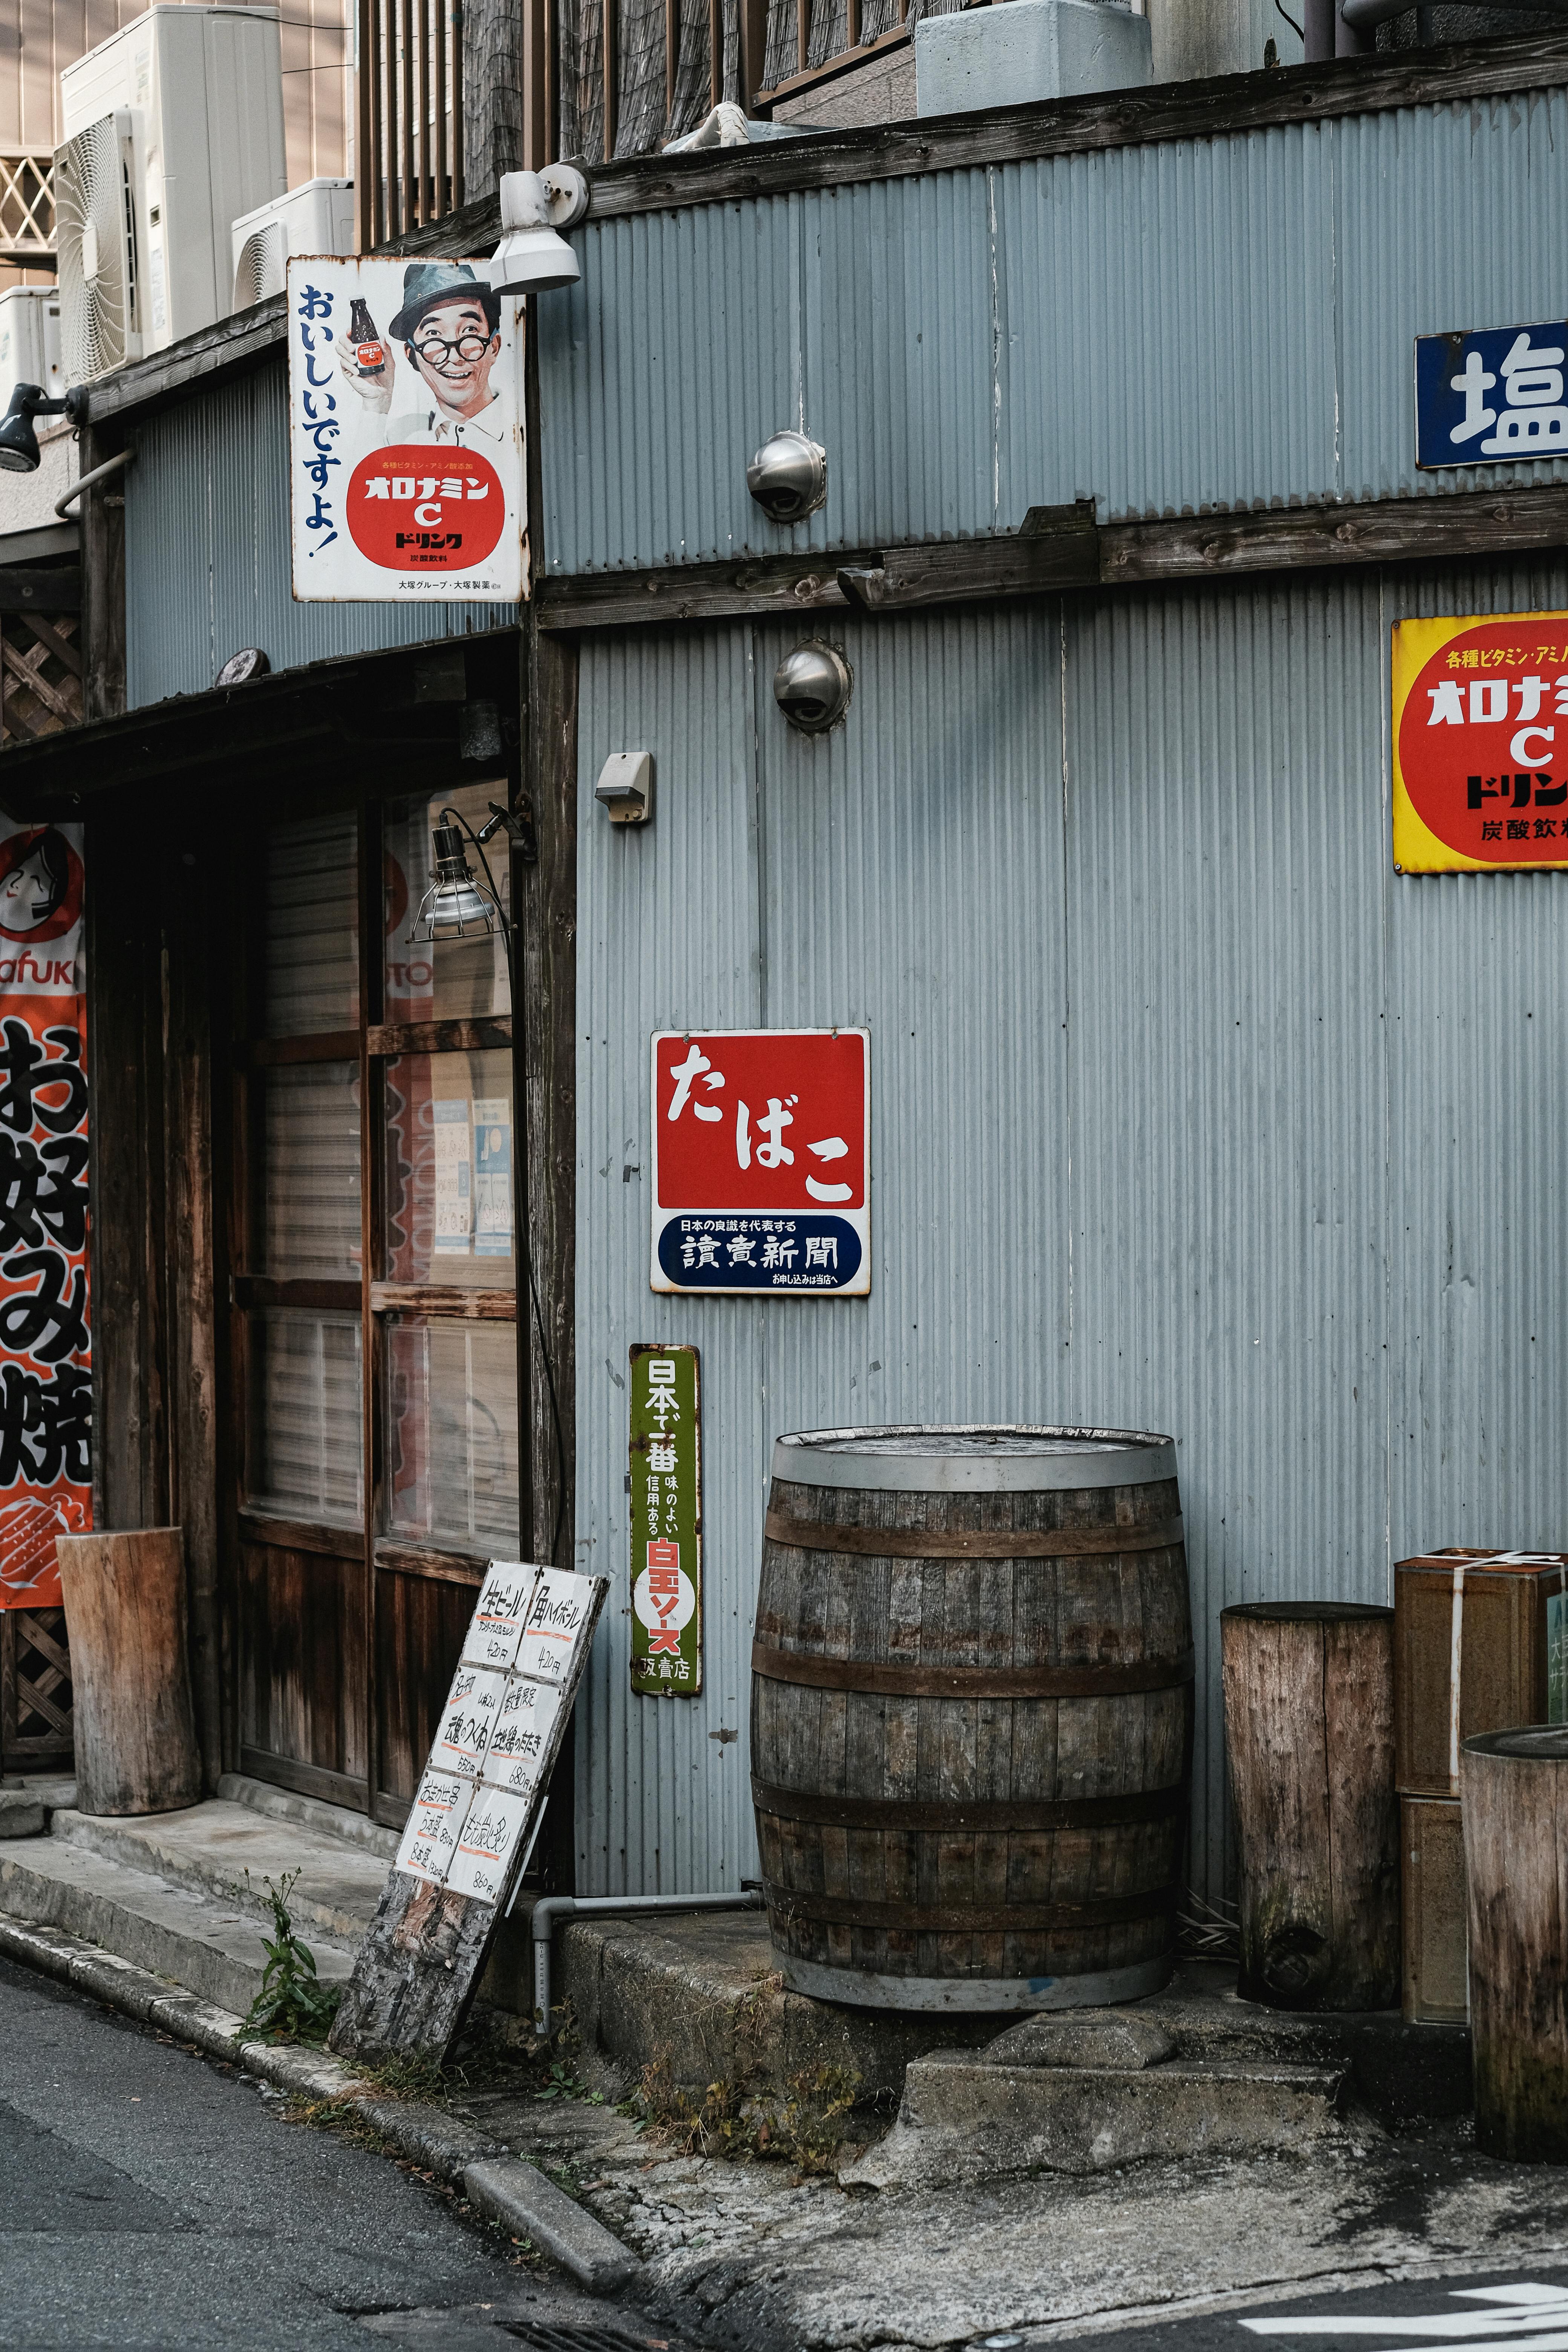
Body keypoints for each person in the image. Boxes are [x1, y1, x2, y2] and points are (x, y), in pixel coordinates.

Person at [336, 262, 514, 452]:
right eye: (433, 334)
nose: (455, 357)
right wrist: (377, 400)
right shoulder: (399, 437)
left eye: (470, 330)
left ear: (494, 347)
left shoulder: (520, 425)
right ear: (412, 355)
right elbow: (364, 480)